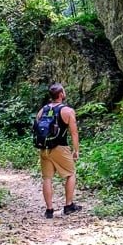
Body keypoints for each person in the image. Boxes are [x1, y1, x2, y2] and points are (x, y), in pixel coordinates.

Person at [37, 83, 81, 218]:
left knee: (47, 178)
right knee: (70, 174)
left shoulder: (42, 110)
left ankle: (49, 210)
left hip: (44, 148)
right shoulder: (67, 111)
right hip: (60, 147)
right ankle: (68, 206)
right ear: (61, 94)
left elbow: (37, 129)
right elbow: (74, 133)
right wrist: (76, 150)